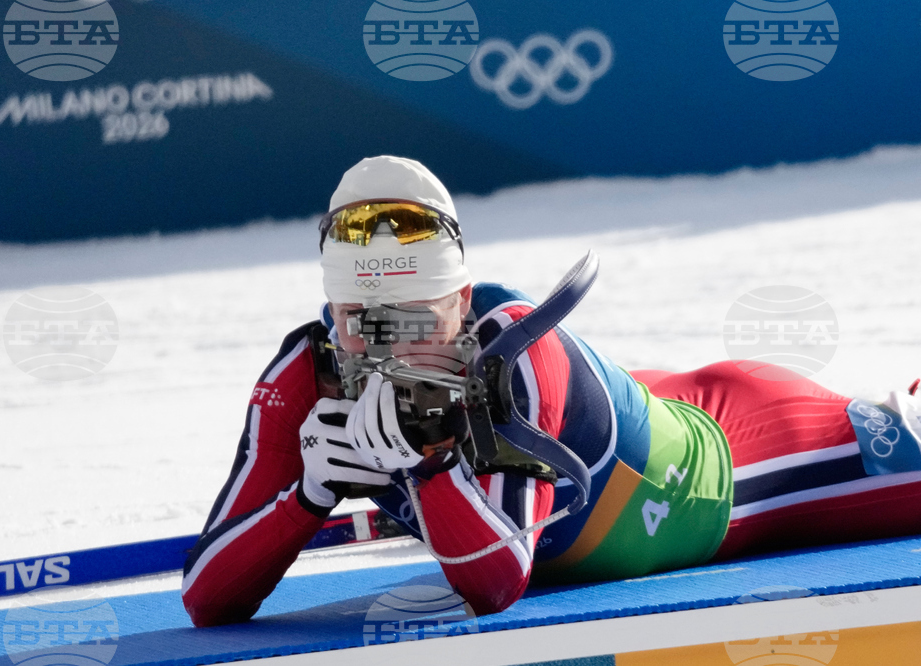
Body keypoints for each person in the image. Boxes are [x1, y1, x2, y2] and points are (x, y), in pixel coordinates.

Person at [181, 156, 921, 627]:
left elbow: (498, 582)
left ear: (462, 301)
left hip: (745, 461)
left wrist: (431, 462)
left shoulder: (518, 354)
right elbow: (206, 598)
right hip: (641, 414)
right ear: (332, 314)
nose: (391, 349)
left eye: (417, 322)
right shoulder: (303, 379)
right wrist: (307, 495)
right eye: (363, 323)